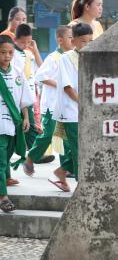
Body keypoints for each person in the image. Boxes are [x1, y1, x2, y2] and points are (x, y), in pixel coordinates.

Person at [23, 26, 73, 176]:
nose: (73, 40)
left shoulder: (70, 57)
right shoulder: (53, 58)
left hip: (65, 106)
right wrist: (60, 84)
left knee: (65, 136)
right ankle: (30, 159)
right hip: (51, 106)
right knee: (48, 134)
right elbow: (40, 76)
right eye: (70, 37)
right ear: (60, 40)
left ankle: (66, 168)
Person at [51, 22, 93, 192]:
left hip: (86, 110)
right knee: (79, 148)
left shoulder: (90, 58)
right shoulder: (66, 58)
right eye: (84, 41)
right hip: (71, 111)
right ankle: (81, 184)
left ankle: (61, 171)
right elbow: (68, 88)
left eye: (90, 41)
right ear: (73, 40)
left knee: (86, 146)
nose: (87, 45)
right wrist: (84, 104)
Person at [0, 35, 32, 213]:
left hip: (12, 124)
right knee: (0, 160)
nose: (7, 56)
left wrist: (25, 117)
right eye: (3, 52)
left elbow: (23, 98)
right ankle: (3, 197)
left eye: (10, 52)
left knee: (5, 157)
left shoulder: (17, 72)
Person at [12, 24, 42, 150]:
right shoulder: (11, 54)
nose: (25, 45)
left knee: (29, 124)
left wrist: (35, 50)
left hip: (28, 94)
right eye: (22, 42)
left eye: (28, 42)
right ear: (15, 39)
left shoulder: (28, 54)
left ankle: (35, 152)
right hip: (16, 93)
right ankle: (35, 152)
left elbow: (41, 68)